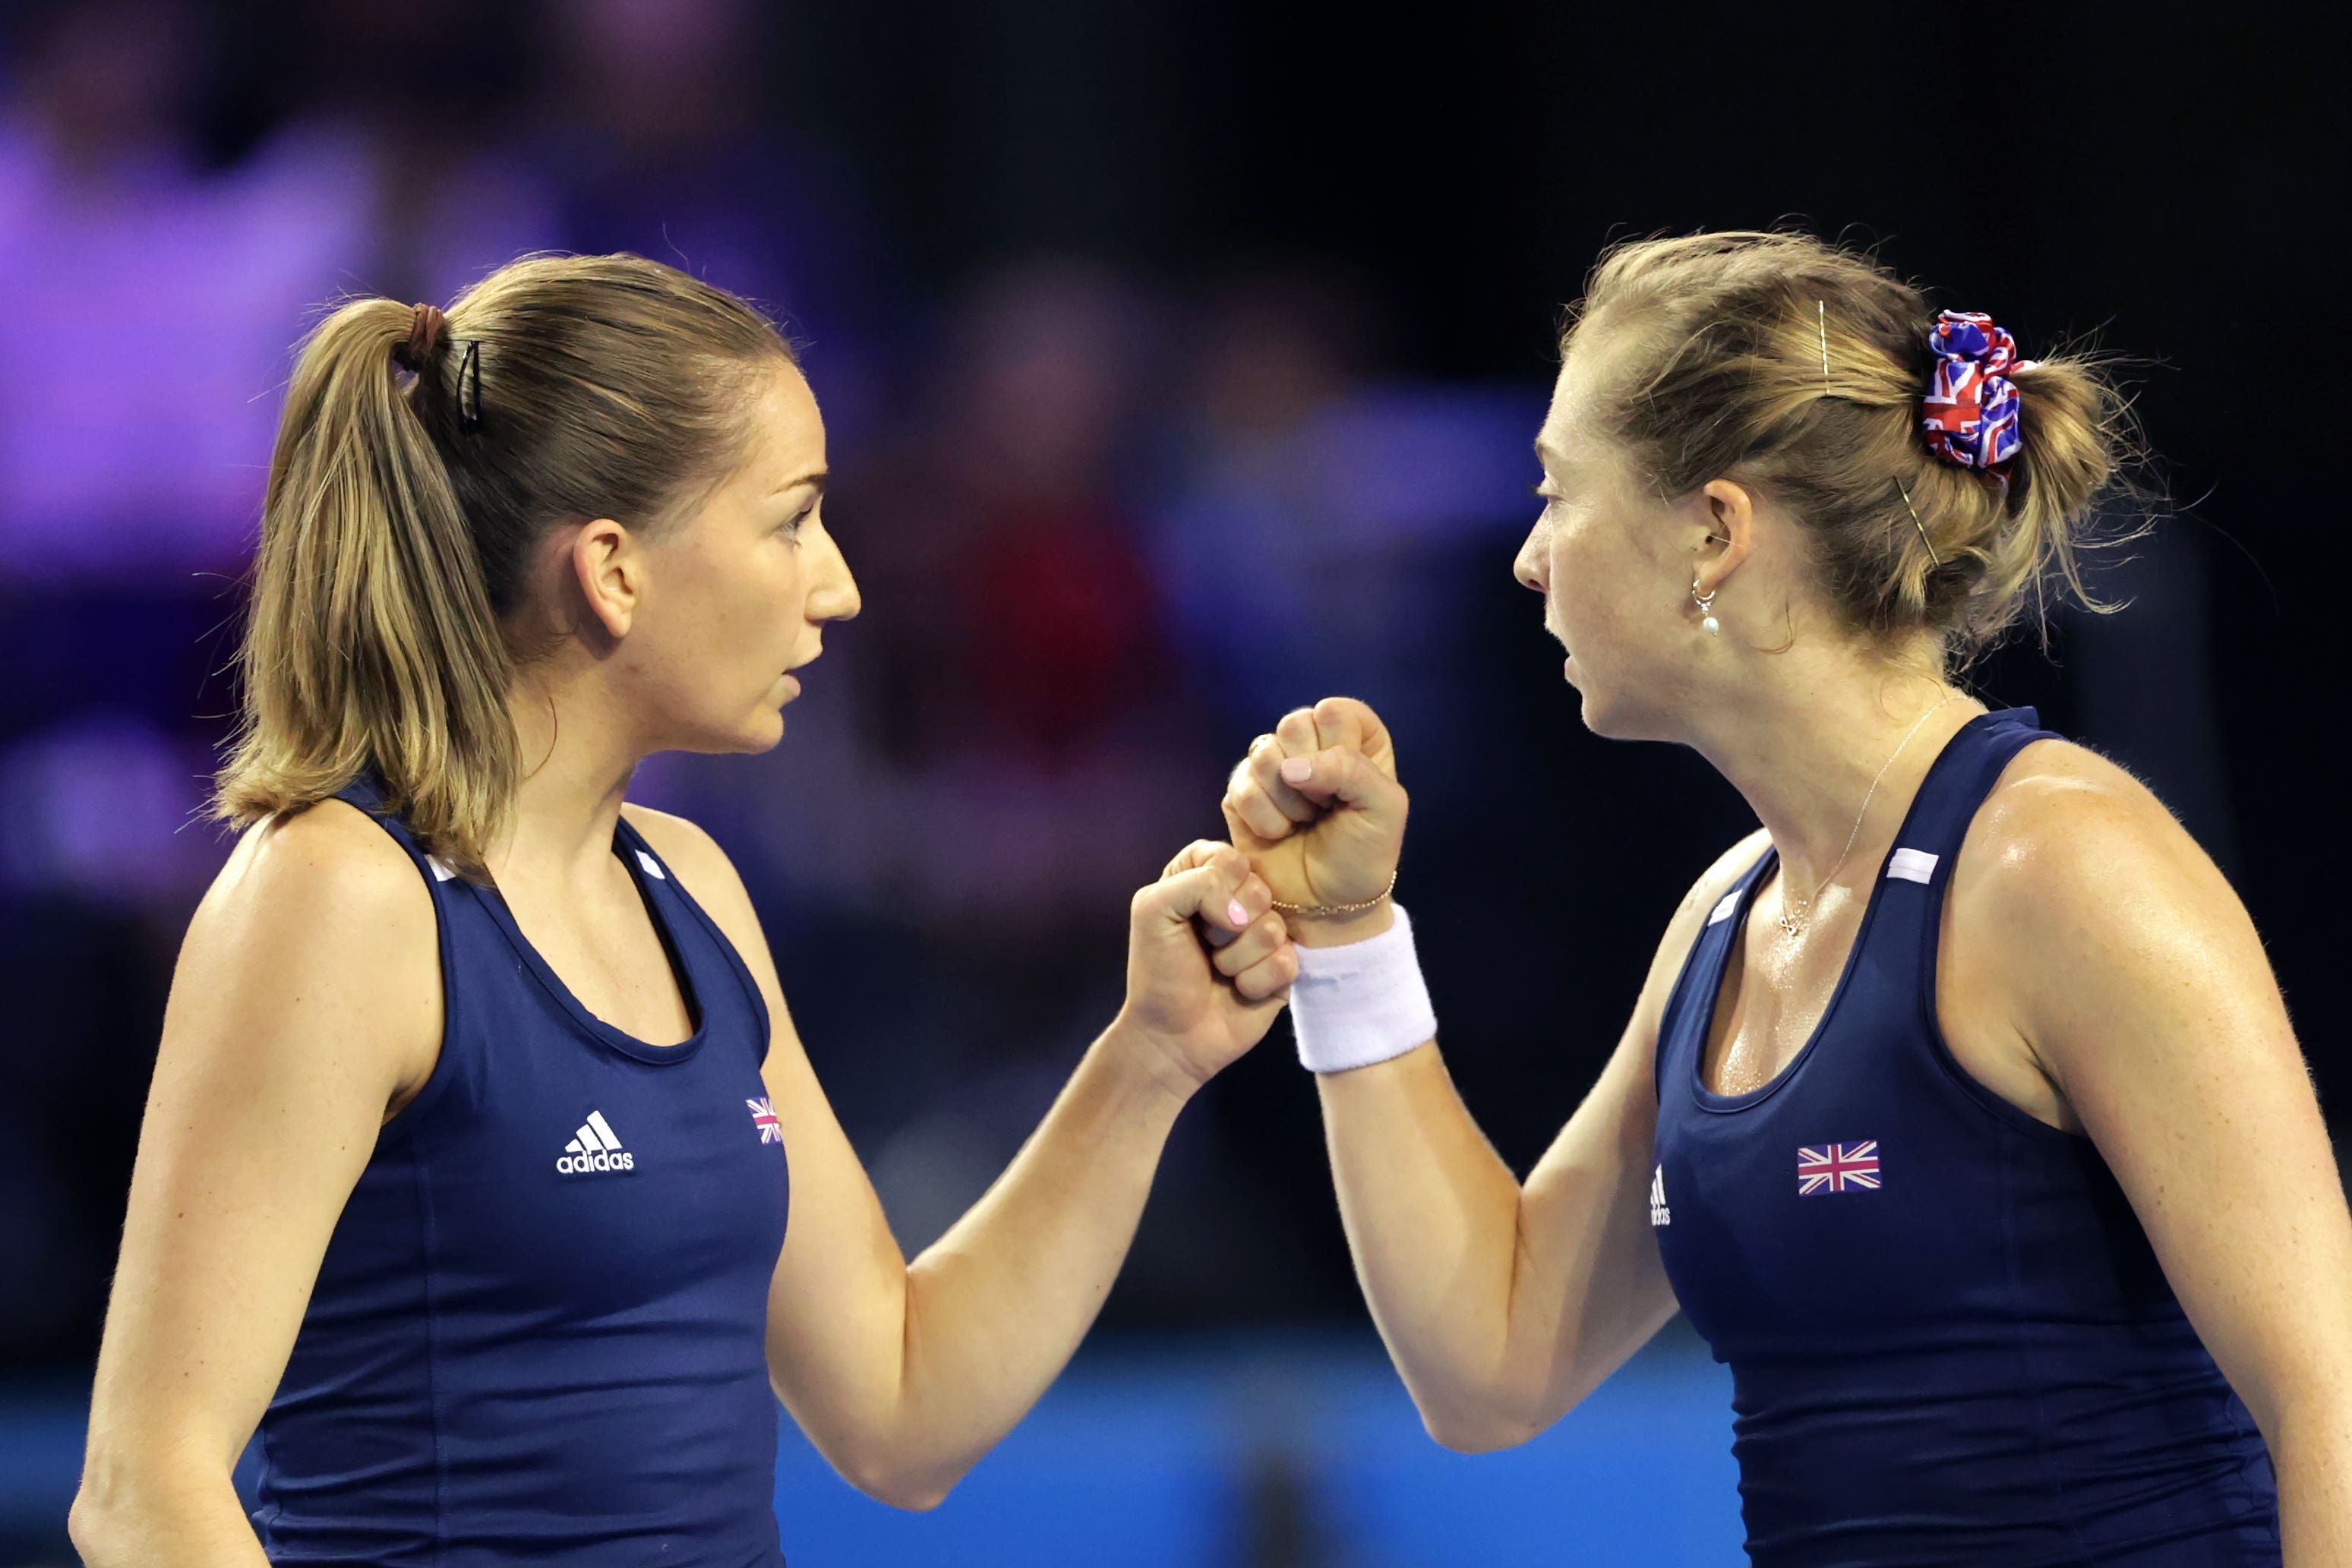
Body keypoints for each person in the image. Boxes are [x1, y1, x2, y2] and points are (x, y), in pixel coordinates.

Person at [67, 253, 1300, 1566]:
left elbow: (902, 1406)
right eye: (791, 521)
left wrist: (1148, 1057)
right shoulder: (336, 901)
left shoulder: (691, 888)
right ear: (613, 568)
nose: (838, 584)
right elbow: (148, 1490)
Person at [1220, 232, 2351, 1564]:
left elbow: (2328, 1398)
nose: (1528, 558)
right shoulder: (1727, 915)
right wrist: (1348, 942)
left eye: (1555, 491)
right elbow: (1493, 1362)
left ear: (1713, 531)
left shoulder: (2065, 867)